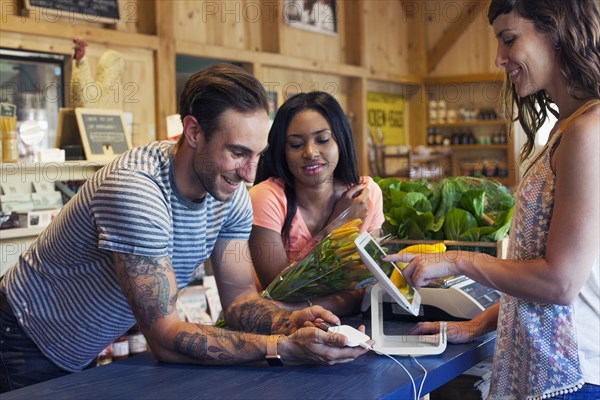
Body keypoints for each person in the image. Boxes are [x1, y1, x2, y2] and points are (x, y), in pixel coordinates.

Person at [0, 64, 370, 393]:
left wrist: (289, 321)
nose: (249, 173)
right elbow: (163, 338)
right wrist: (281, 348)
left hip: (79, 346)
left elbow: (240, 298)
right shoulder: (137, 191)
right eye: (238, 152)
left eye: (258, 155)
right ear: (192, 132)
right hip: (23, 337)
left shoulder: (231, 194)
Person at [385, 1, 600, 399]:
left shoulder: (588, 132)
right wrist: (478, 323)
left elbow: (561, 283)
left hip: (575, 377)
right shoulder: (568, 128)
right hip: (548, 373)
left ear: (555, 31)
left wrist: (458, 259)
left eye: (509, 39)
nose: (499, 58)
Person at [249, 91, 384, 316]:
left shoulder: (366, 194)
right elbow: (280, 292)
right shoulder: (266, 198)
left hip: (352, 326)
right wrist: (335, 226)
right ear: (282, 150)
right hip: (279, 332)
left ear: (341, 140)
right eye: (295, 144)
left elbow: (370, 284)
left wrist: (296, 308)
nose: (310, 153)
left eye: (322, 140)